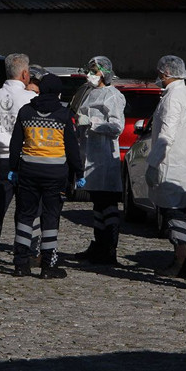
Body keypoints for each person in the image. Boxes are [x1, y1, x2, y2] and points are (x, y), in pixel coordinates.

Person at [9, 74, 83, 278]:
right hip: (55, 174)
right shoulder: (63, 114)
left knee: (25, 216)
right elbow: (72, 148)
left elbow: (15, 144)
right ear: (58, 93)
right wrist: (78, 172)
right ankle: (48, 267)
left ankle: (21, 264)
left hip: (29, 171)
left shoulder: (26, 111)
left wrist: (13, 168)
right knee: (50, 217)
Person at [145, 56, 186, 277]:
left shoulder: (173, 98)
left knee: (174, 213)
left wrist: (153, 163)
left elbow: (166, 135)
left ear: (167, 72)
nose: (159, 76)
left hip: (173, 165)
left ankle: (181, 260)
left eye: (160, 72)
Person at [0, 53, 38, 266]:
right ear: (24, 74)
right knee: (27, 208)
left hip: (1, 158)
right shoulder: (30, 98)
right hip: (24, 158)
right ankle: (26, 252)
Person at [73, 56, 126, 265]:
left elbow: (116, 127)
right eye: (89, 70)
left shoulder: (112, 95)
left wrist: (92, 122)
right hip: (89, 154)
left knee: (108, 203)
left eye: (94, 71)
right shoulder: (89, 92)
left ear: (104, 73)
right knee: (97, 203)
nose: (90, 75)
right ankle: (98, 245)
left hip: (104, 158)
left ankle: (109, 247)